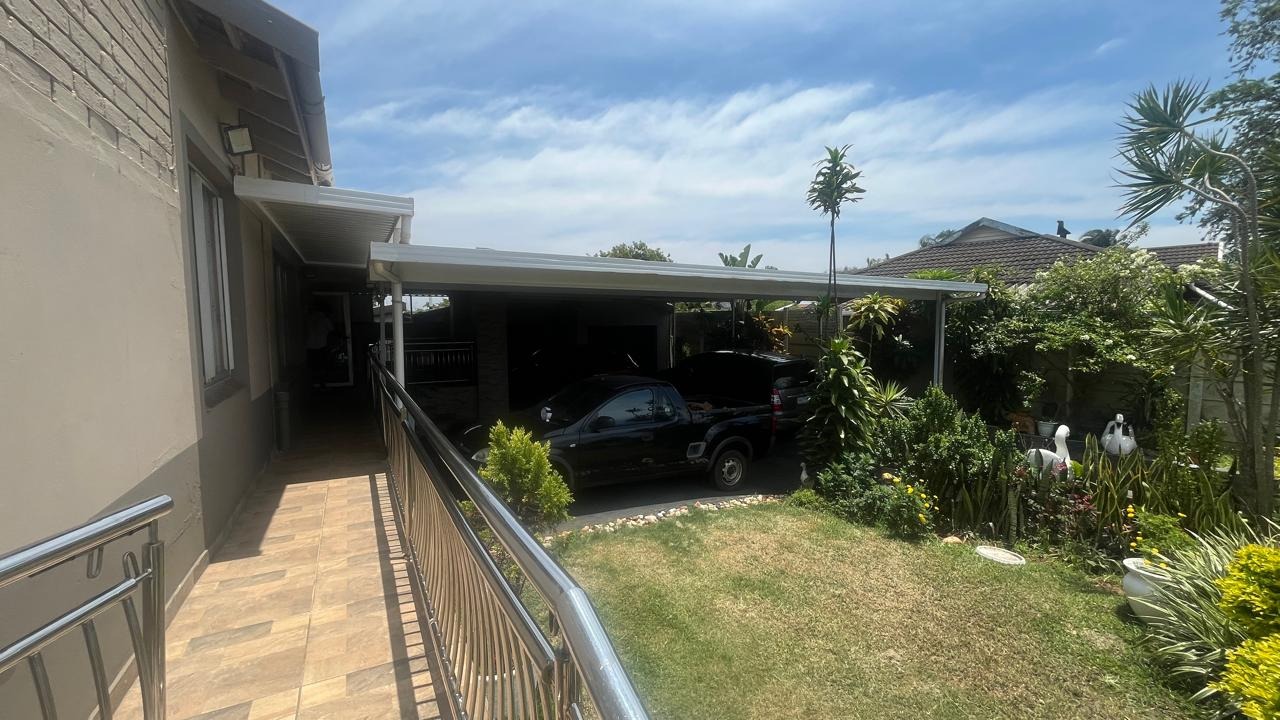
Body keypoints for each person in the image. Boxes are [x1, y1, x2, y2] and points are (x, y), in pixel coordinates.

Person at [306, 304, 335, 388]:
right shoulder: (325, 319)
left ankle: (311, 384)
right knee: (322, 365)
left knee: (313, 366)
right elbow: (332, 330)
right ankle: (322, 383)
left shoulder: (309, 317)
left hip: (310, 346)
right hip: (321, 346)